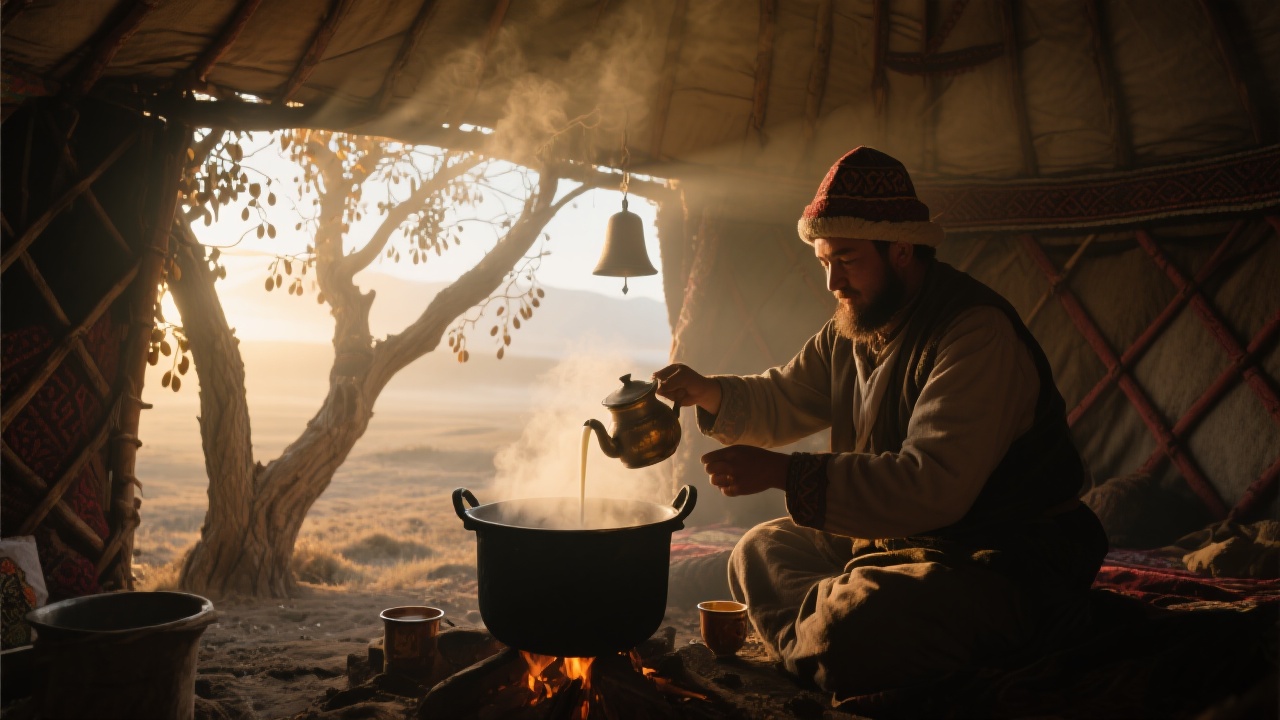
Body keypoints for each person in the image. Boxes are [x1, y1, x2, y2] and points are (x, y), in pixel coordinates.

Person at [654, 146, 1107, 698]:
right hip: (893, 543)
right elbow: (786, 395)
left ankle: (835, 637)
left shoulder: (973, 334)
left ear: (901, 250)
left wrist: (782, 473)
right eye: (824, 262)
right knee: (757, 550)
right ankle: (830, 639)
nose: (833, 282)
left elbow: (930, 484)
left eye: (846, 260)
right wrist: (707, 391)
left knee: (865, 621)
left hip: (994, 555)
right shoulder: (854, 327)